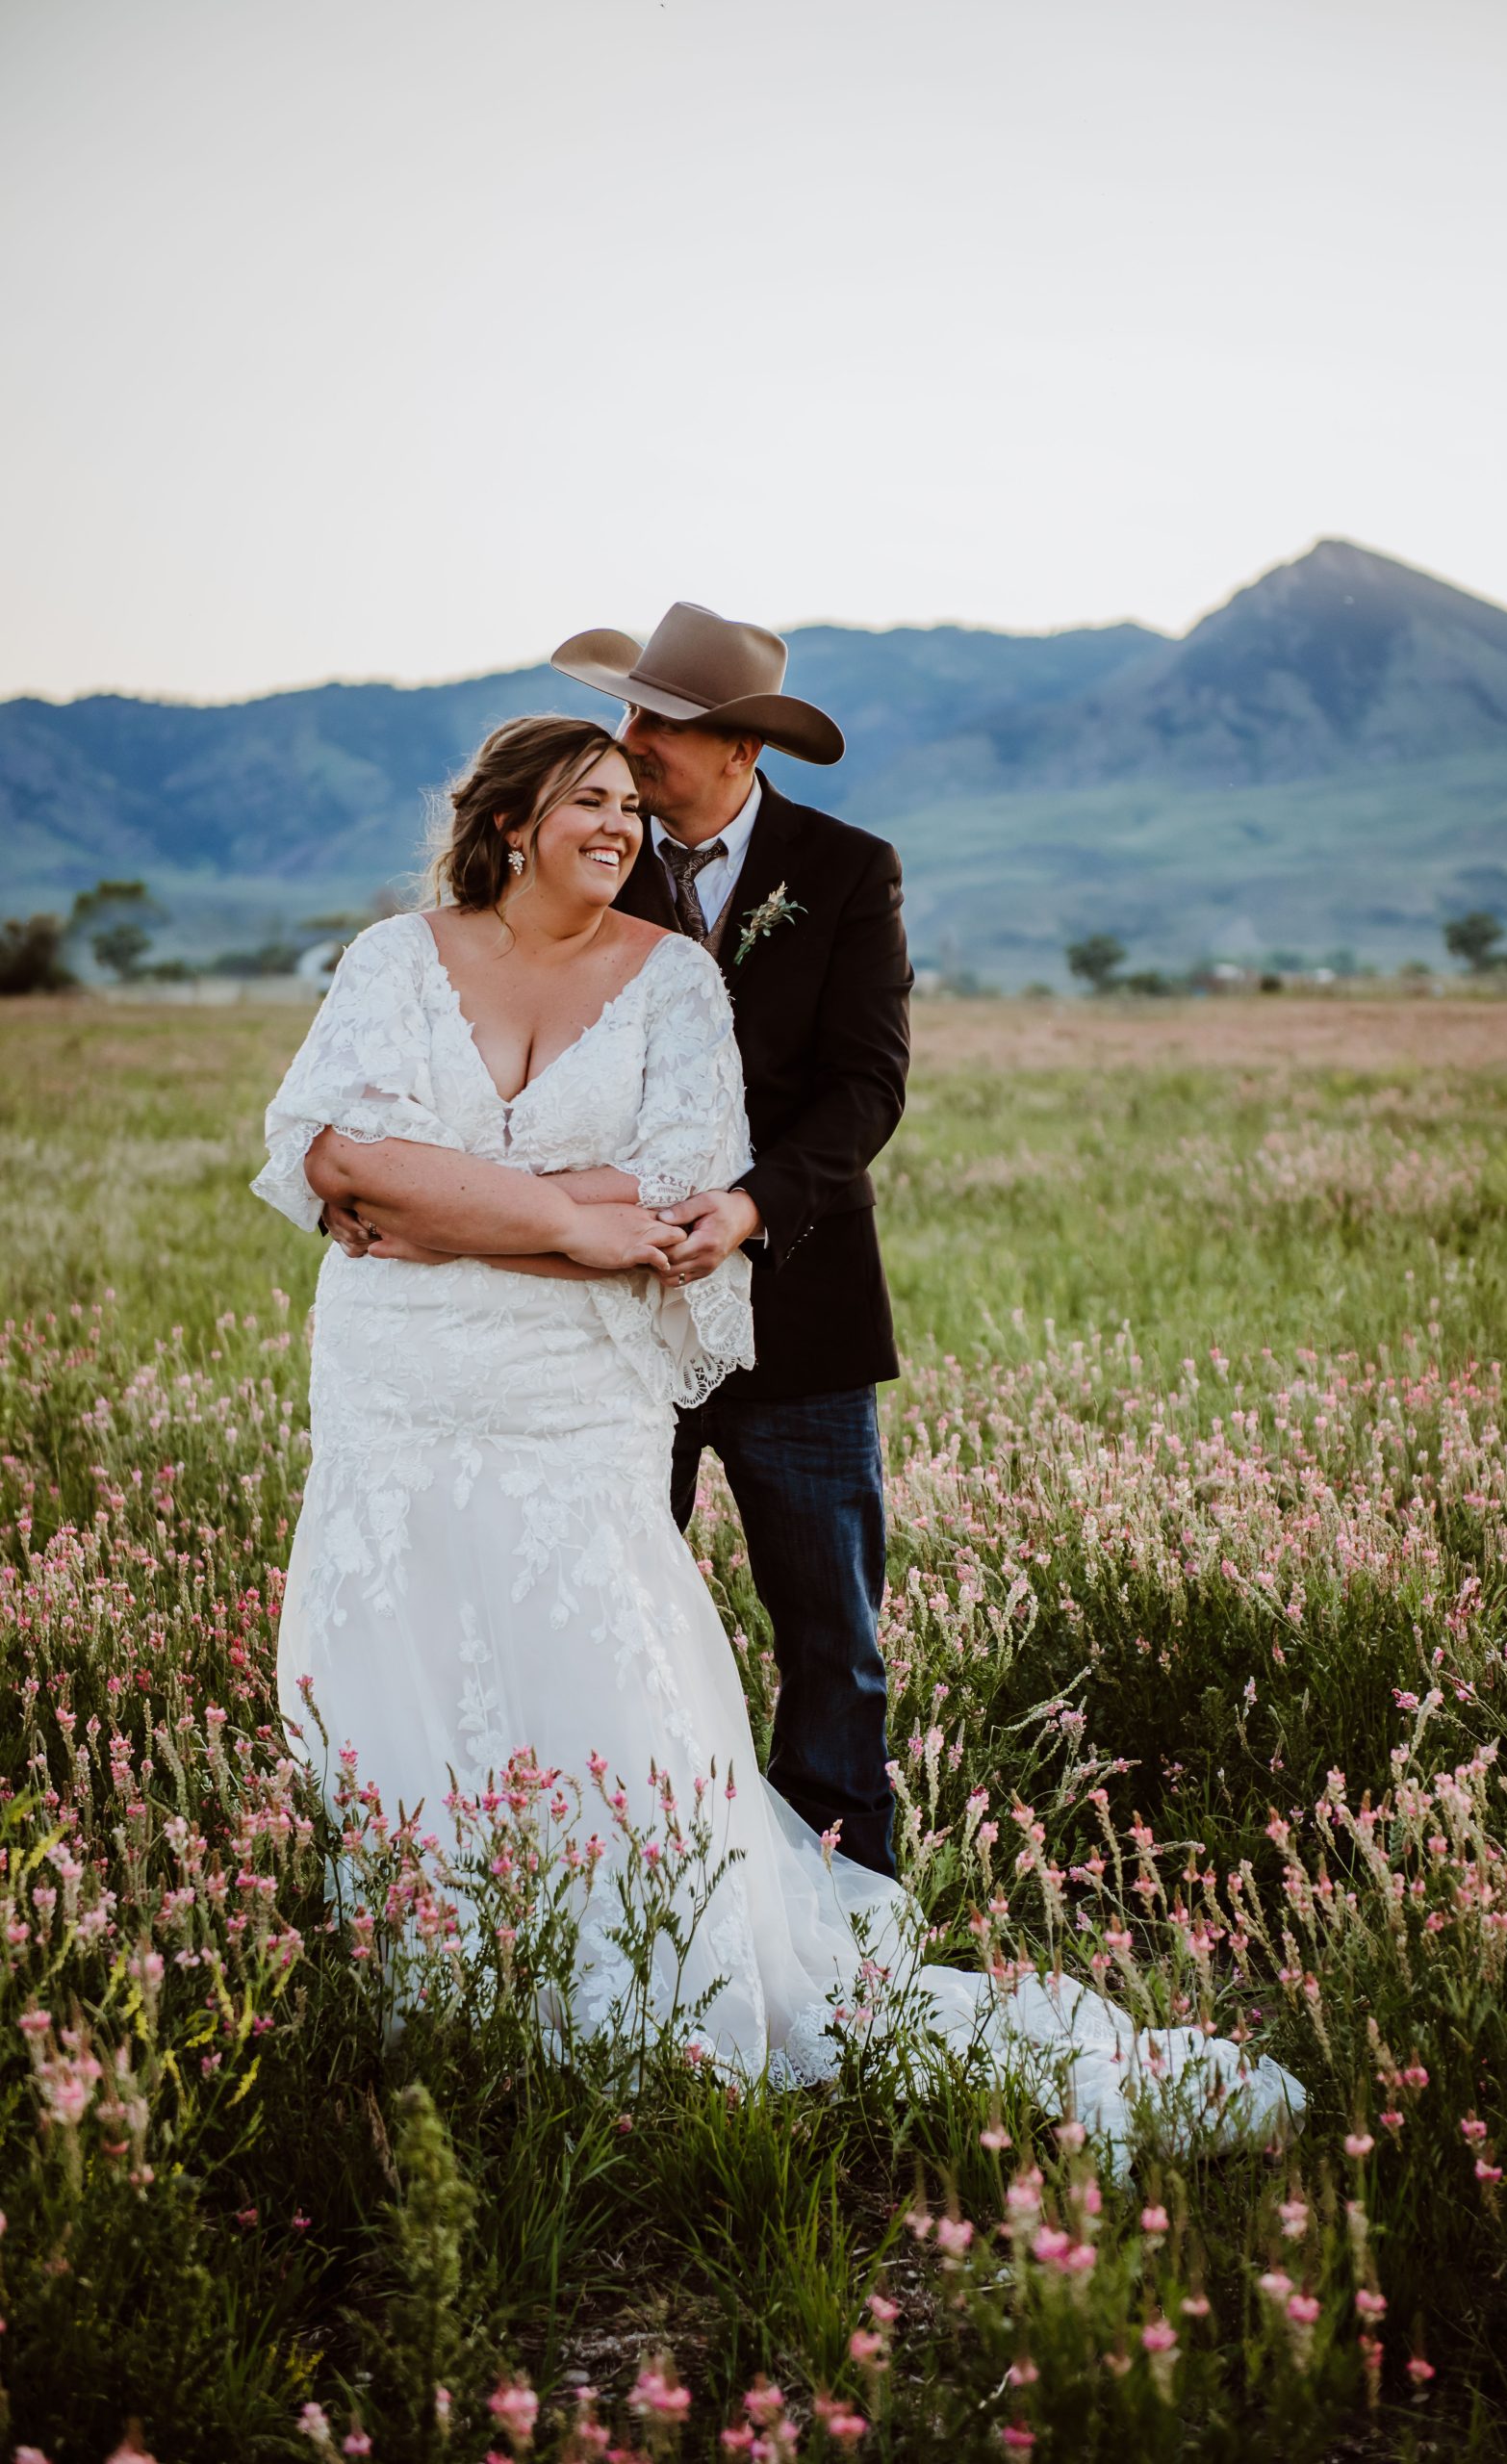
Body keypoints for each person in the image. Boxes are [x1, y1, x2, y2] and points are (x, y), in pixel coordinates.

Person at [256, 711, 1302, 2148]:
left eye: (644, 773)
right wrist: (573, 1211)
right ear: (511, 823)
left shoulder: (737, 936)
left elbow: (694, 1185)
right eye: (595, 787)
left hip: (620, 1365)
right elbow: (335, 1159)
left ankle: (670, 1945)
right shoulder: (394, 959)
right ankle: (437, 1961)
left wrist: (474, 1214)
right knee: (405, 1632)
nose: (626, 804)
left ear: (738, 753)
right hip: (395, 1377)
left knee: (721, 1626)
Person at [551, 602, 909, 1877]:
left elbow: (865, 1089)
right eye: (630, 711)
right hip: (607, 1317)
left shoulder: (846, 868)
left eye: (659, 722)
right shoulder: (583, 859)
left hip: (801, 1314)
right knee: (607, 1610)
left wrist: (749, 1209)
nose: (628, 739)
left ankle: (851, 1908)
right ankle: (627, 1874)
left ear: (742, 749)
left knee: (831, 1635)